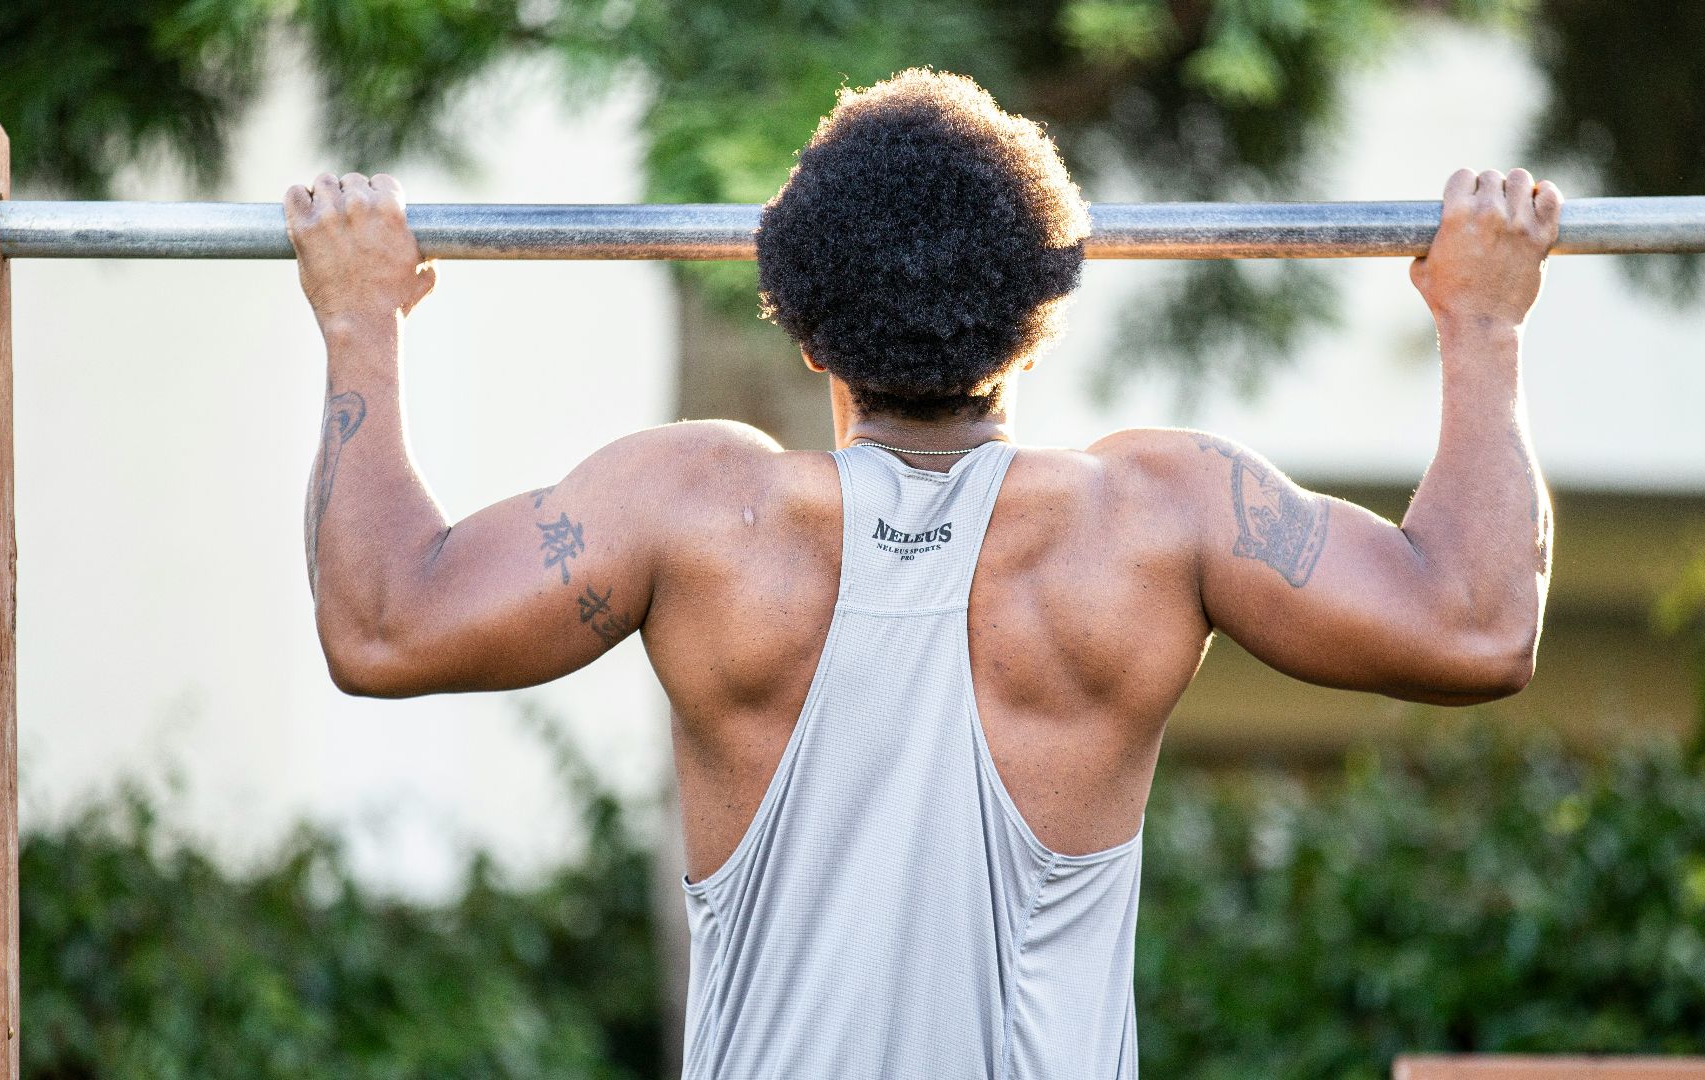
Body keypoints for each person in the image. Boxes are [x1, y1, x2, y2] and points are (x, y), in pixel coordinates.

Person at [285, 68, 1556, 1080]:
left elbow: (387, 626)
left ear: (794, 310)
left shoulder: (695, 510)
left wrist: (358, 324)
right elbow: (1475, 625)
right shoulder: (1155, 521)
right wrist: (1483, 324)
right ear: (1043, 310)